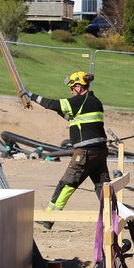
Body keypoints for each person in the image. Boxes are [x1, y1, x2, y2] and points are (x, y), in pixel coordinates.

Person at [20, 71, 110, 230]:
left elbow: (52, 104)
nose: (71, 92)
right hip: (100, 151)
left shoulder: (79, 100)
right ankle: (115, 216)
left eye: (72, 88)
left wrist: (31, 95)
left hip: (85, 152)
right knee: (103, 186)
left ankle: (49, 217)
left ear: (79, 86)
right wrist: (59, 110)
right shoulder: (95, 102)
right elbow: (73, 118)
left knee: (68, 183)